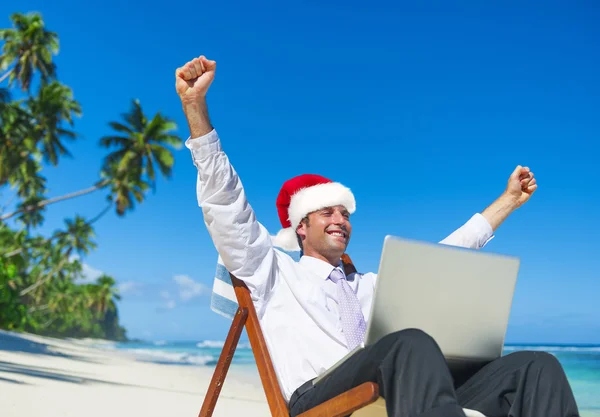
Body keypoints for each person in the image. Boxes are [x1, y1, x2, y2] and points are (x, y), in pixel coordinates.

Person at [175, 55, 580, 417]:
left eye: (345, 213)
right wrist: (196, 109)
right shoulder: (273, 272)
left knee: (535, 367)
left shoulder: (369, 288)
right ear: (300, 226)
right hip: (320, 397)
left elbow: (443, 260)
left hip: (394, 382)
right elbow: (226, 205)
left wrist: (507, 201)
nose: (340, 219)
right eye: (327, 212)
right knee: (410, 343)